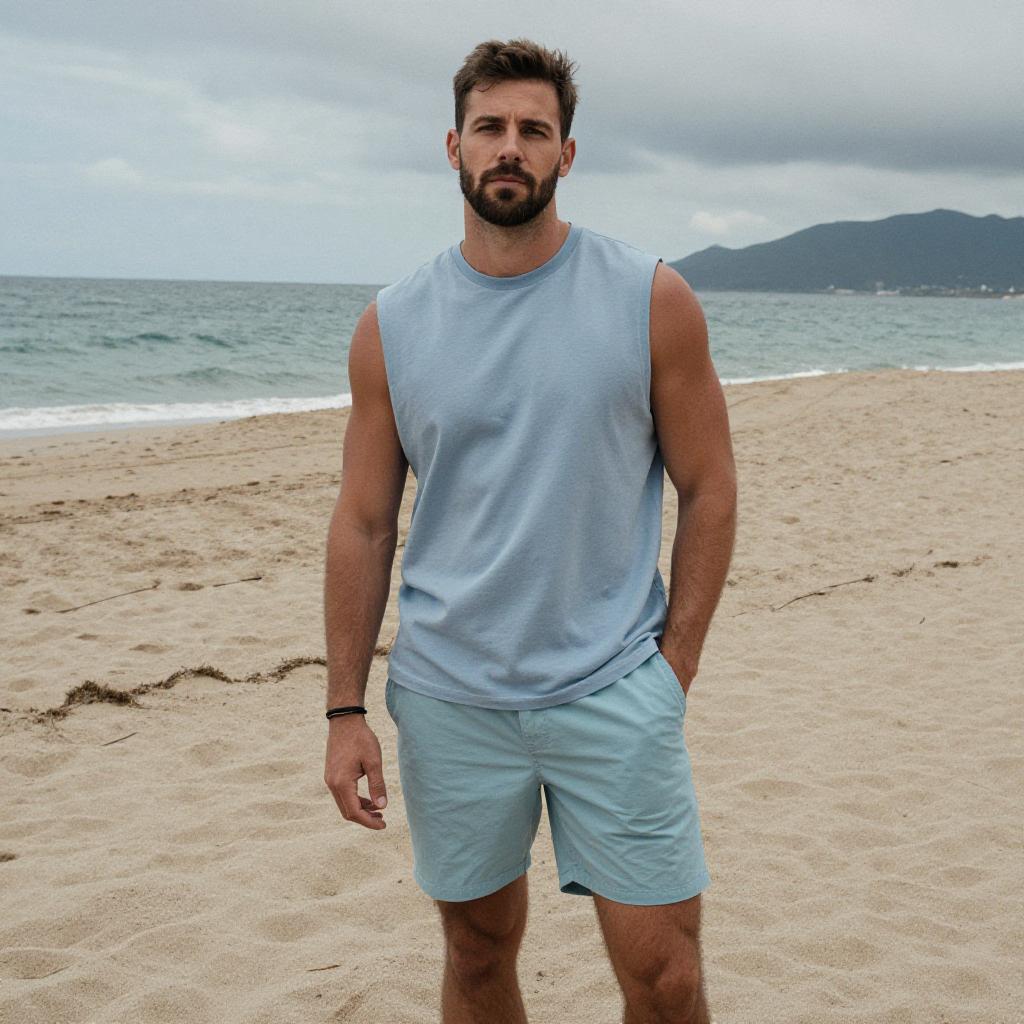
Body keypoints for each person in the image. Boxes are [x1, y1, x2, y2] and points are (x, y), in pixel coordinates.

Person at [323, 37, 736, 1024]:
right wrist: (345, 711)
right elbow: (365, 521)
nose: (510, 148)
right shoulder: (394, 322)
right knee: (474, 955)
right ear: (454, 146)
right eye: (491, 128)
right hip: (449, 696)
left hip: (613, 689)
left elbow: (709, 485)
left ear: (566, 153)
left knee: (666, 977)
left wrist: (670, 665)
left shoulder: (649, 296)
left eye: (533, 131)